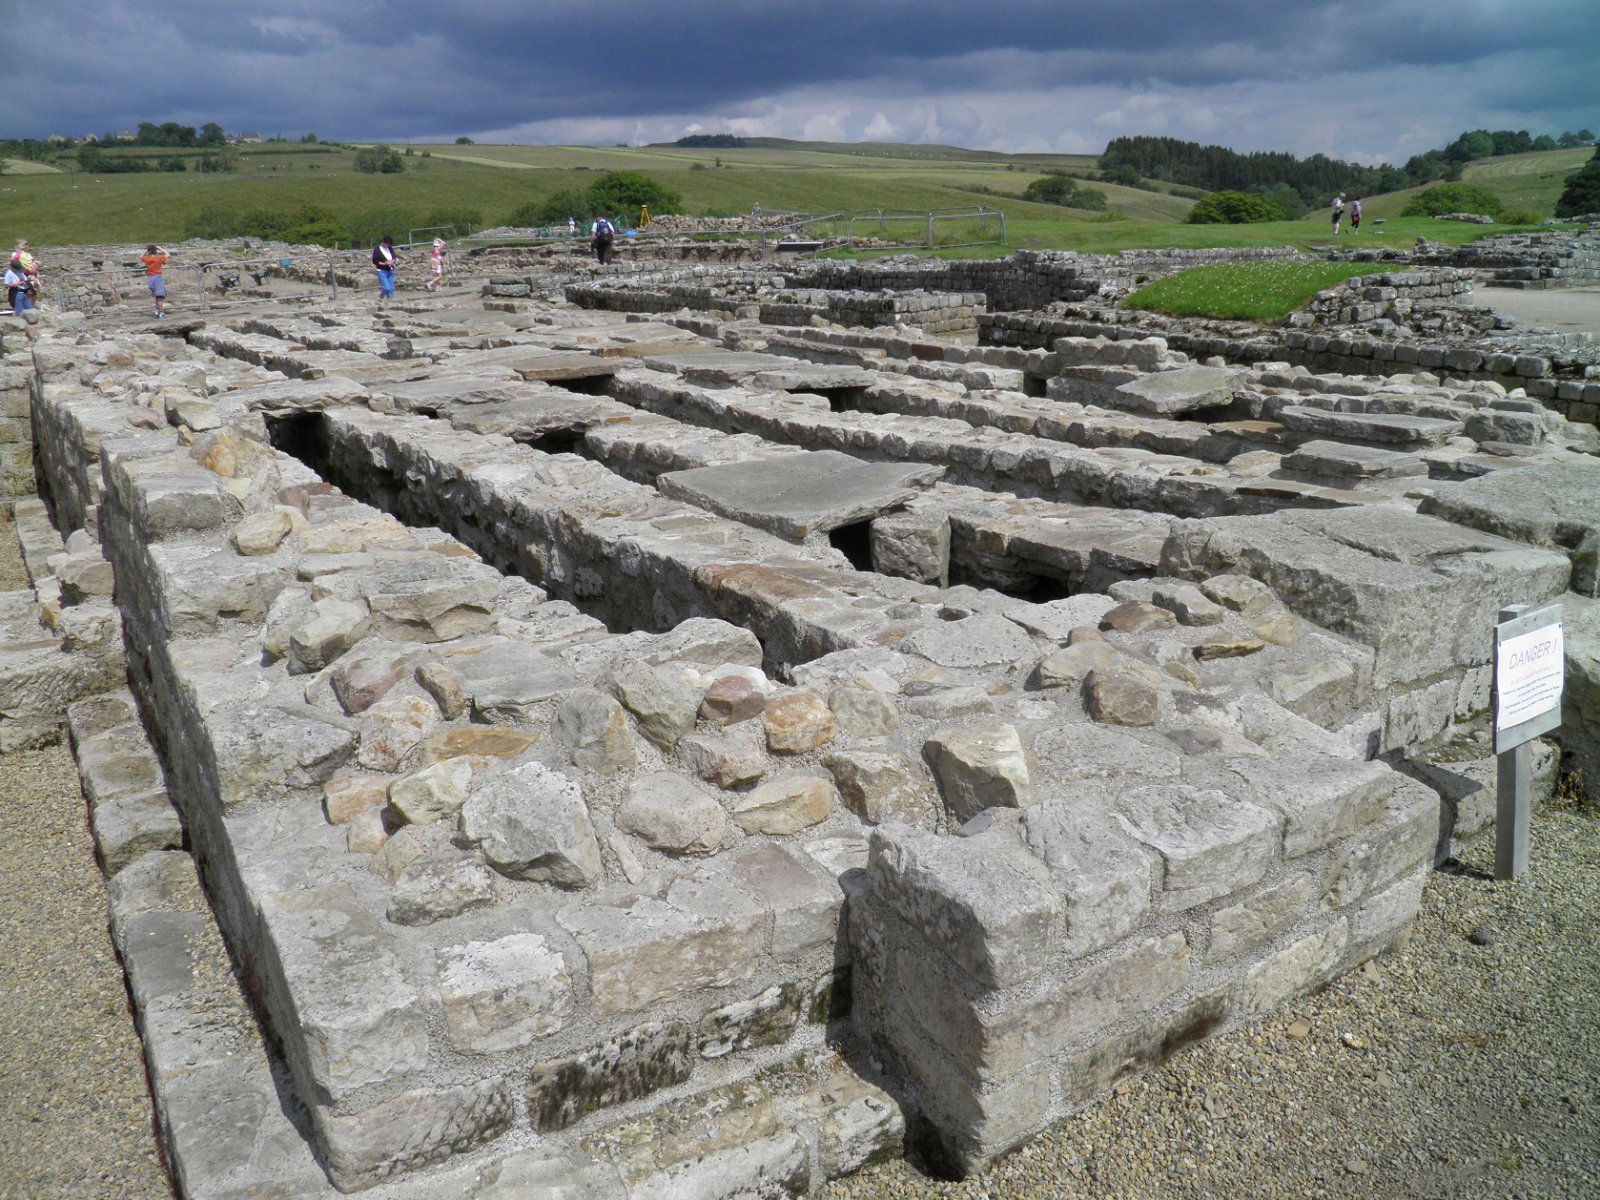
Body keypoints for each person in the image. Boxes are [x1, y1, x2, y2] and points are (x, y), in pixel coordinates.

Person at [141, 243, 170, 317]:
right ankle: (161, 312)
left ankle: (157, 310)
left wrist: (146, 251)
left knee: (156, 296)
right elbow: (167, 254)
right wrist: (160, 248)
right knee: (160, 297)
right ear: (155, 251)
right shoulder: (158, 258)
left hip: (150, 278)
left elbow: (141, 256)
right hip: (158, 278)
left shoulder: (147, 259)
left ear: (149, 251)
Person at [371, 236, 397, 300]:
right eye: (387, 244)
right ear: (384, 242)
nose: (388, 246)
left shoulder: (390, 248)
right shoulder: (377, 249)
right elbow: (375, 261)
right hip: (382, 270)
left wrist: (391, 262)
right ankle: (382, 295)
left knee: (391, 288)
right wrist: (384, 264)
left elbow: (394, 257)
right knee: (386, 287)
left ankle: (389, 301)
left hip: (390, 269)